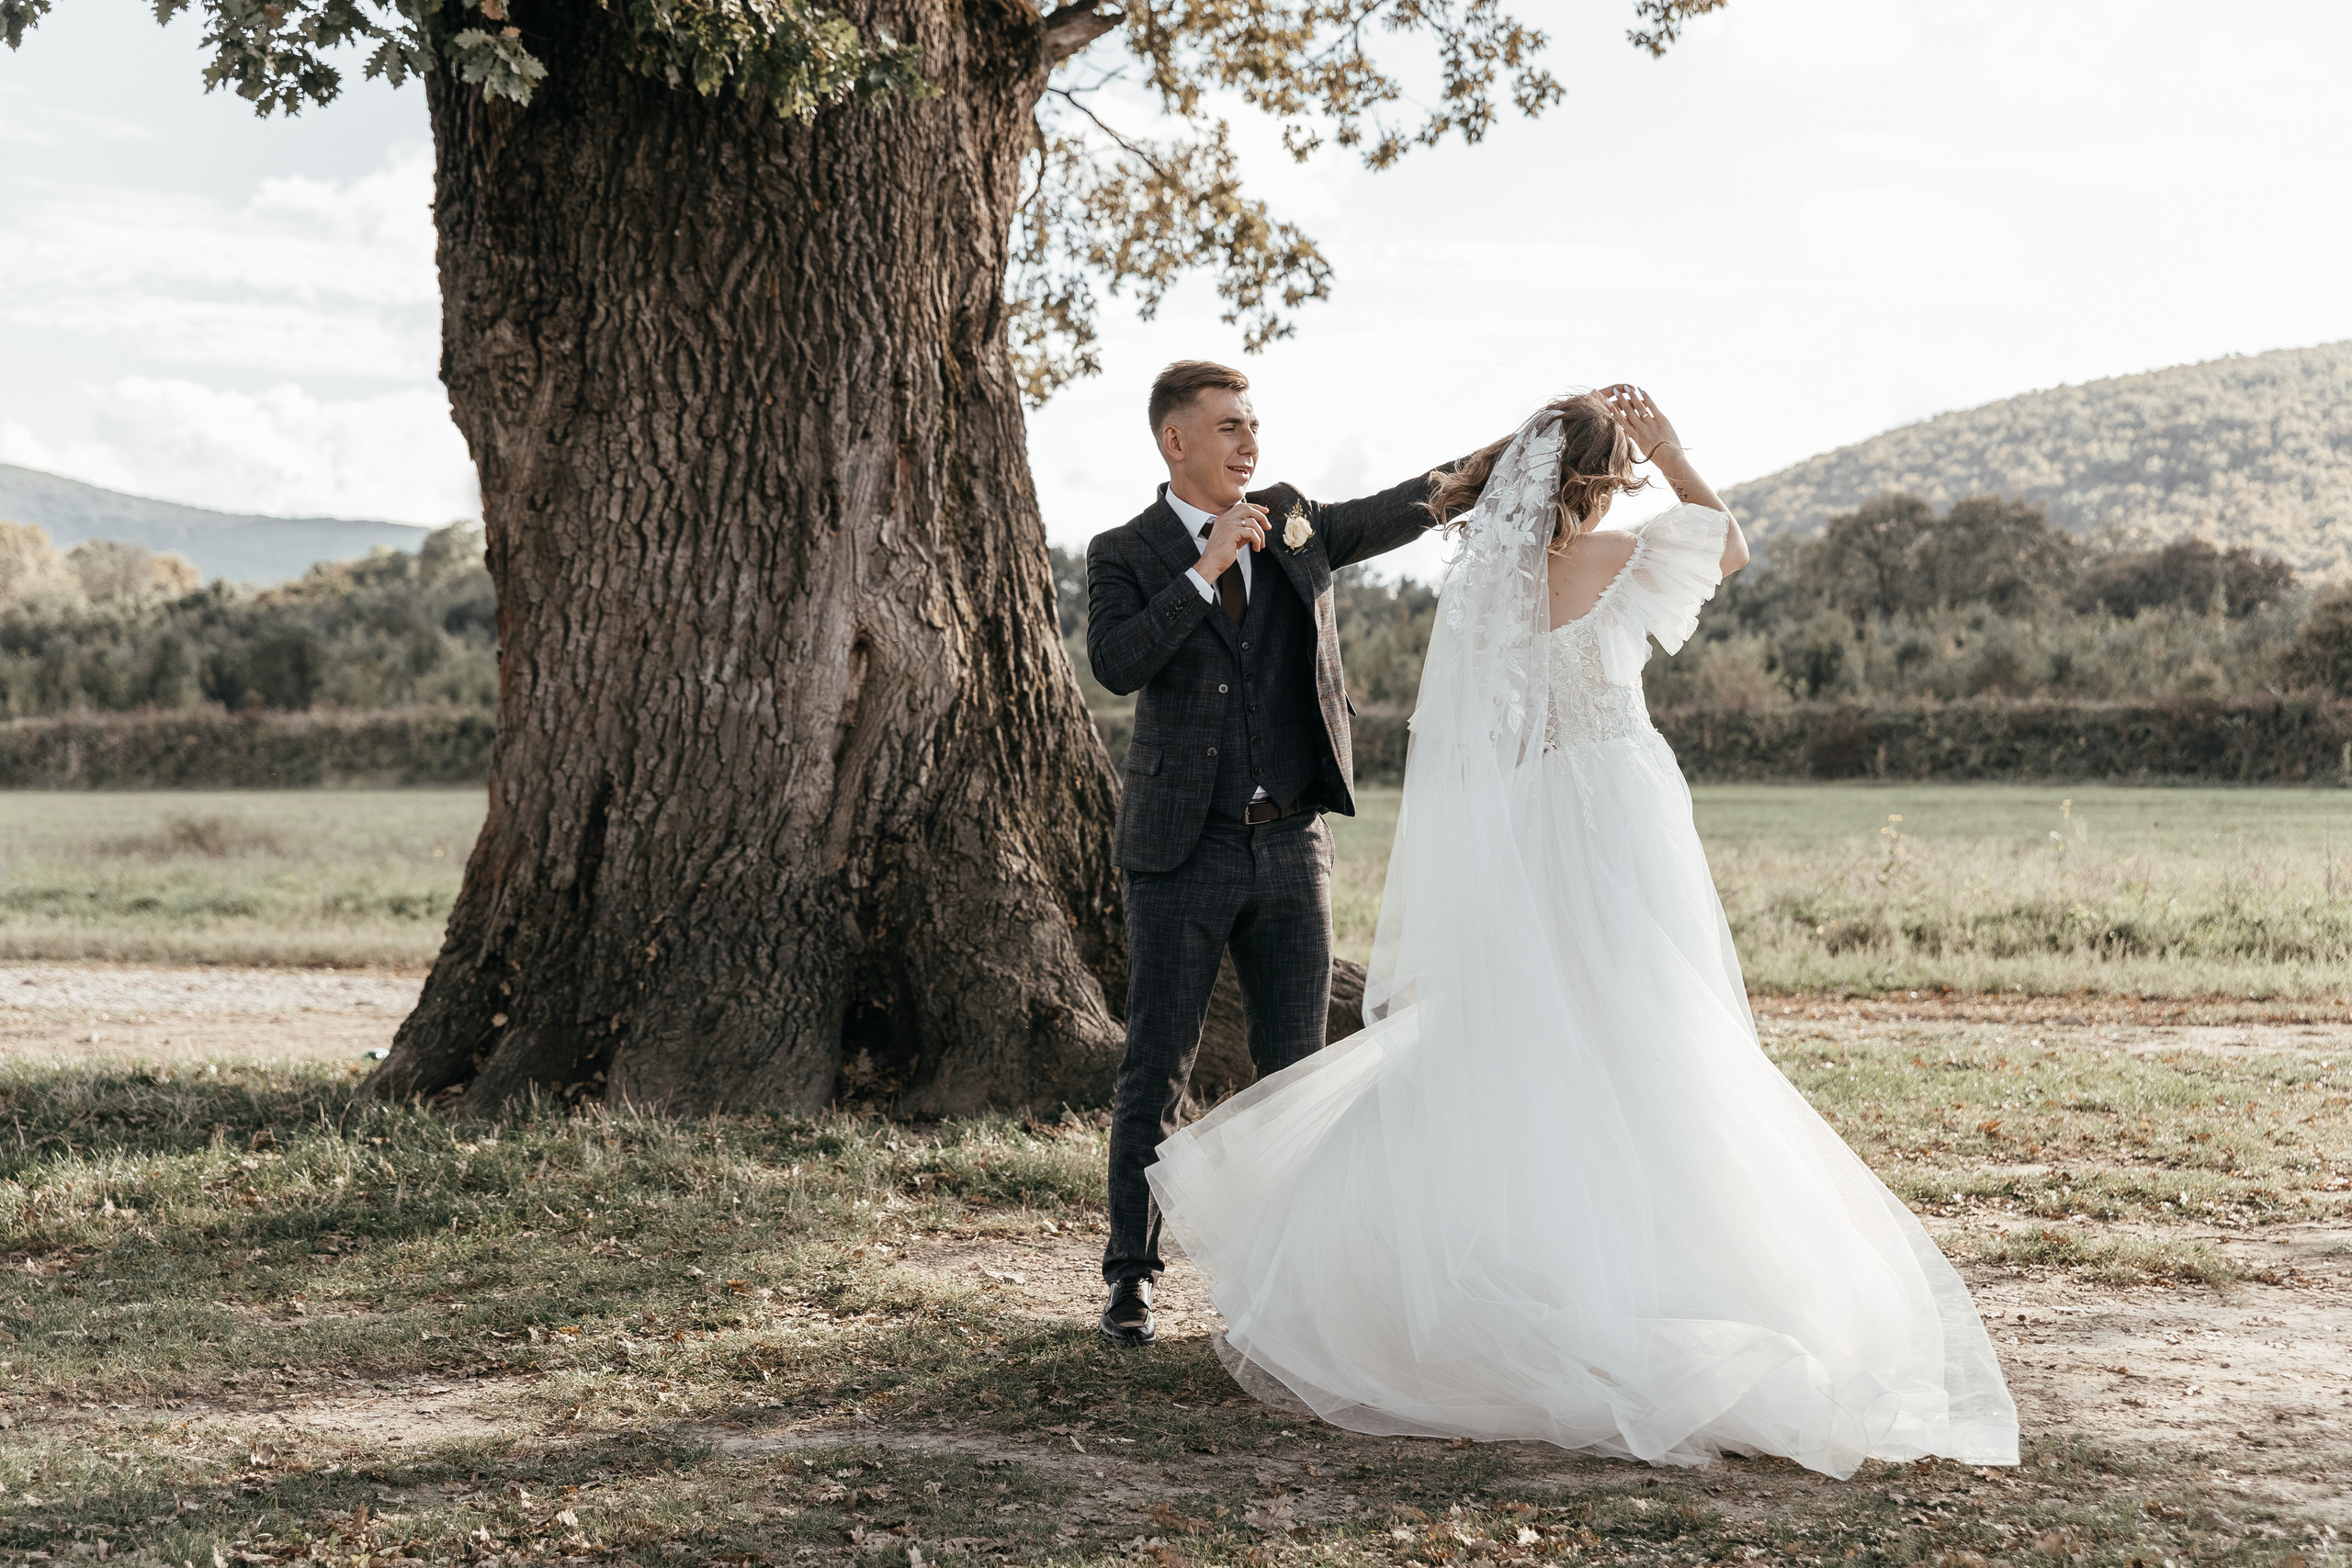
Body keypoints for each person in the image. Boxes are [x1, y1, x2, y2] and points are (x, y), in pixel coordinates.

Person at [1146, 387, 2020, 1479]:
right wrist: (1675, 448)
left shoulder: (1480, 588)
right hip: (1615, 816)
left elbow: (1473, 738)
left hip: (1528, 826)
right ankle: (1664, 1262)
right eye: (1622, 474)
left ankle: (1505, 1257)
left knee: (1530, 1028)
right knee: (1650, 1023)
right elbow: (1730, 547)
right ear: (1602, 485)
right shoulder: (1614, 561)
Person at [1083, 360, 1478, 1347]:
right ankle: (1130, 1279)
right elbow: (1117, 663)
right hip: (1181, 851)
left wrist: (1504, 455)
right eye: (1226, 427)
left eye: (1252, 423)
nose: (1248, 442)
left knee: (1294, 1070)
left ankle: (1291, 1282)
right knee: (1155, 1068)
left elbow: (1399, 509)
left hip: (1290, 846)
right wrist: (1202, 571)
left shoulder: (1294, 517)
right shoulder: (1123, 551)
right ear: (1175, 441)